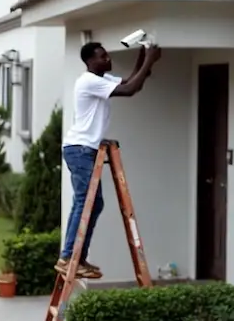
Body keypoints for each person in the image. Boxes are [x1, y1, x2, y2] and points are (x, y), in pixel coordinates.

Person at [56, 41, 162, 279]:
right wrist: (149, 59)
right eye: (102, 56)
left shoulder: (102, 80)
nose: (108, 59)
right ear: (90, 61)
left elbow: (133, 81)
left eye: (107, 56)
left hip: (85, 148)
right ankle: (68, 257)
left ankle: (77, 257)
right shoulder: (89, 81)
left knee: (93, 204)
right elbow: (130, 90)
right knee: (85, 203)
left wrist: (144, 54)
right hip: (80, 149)